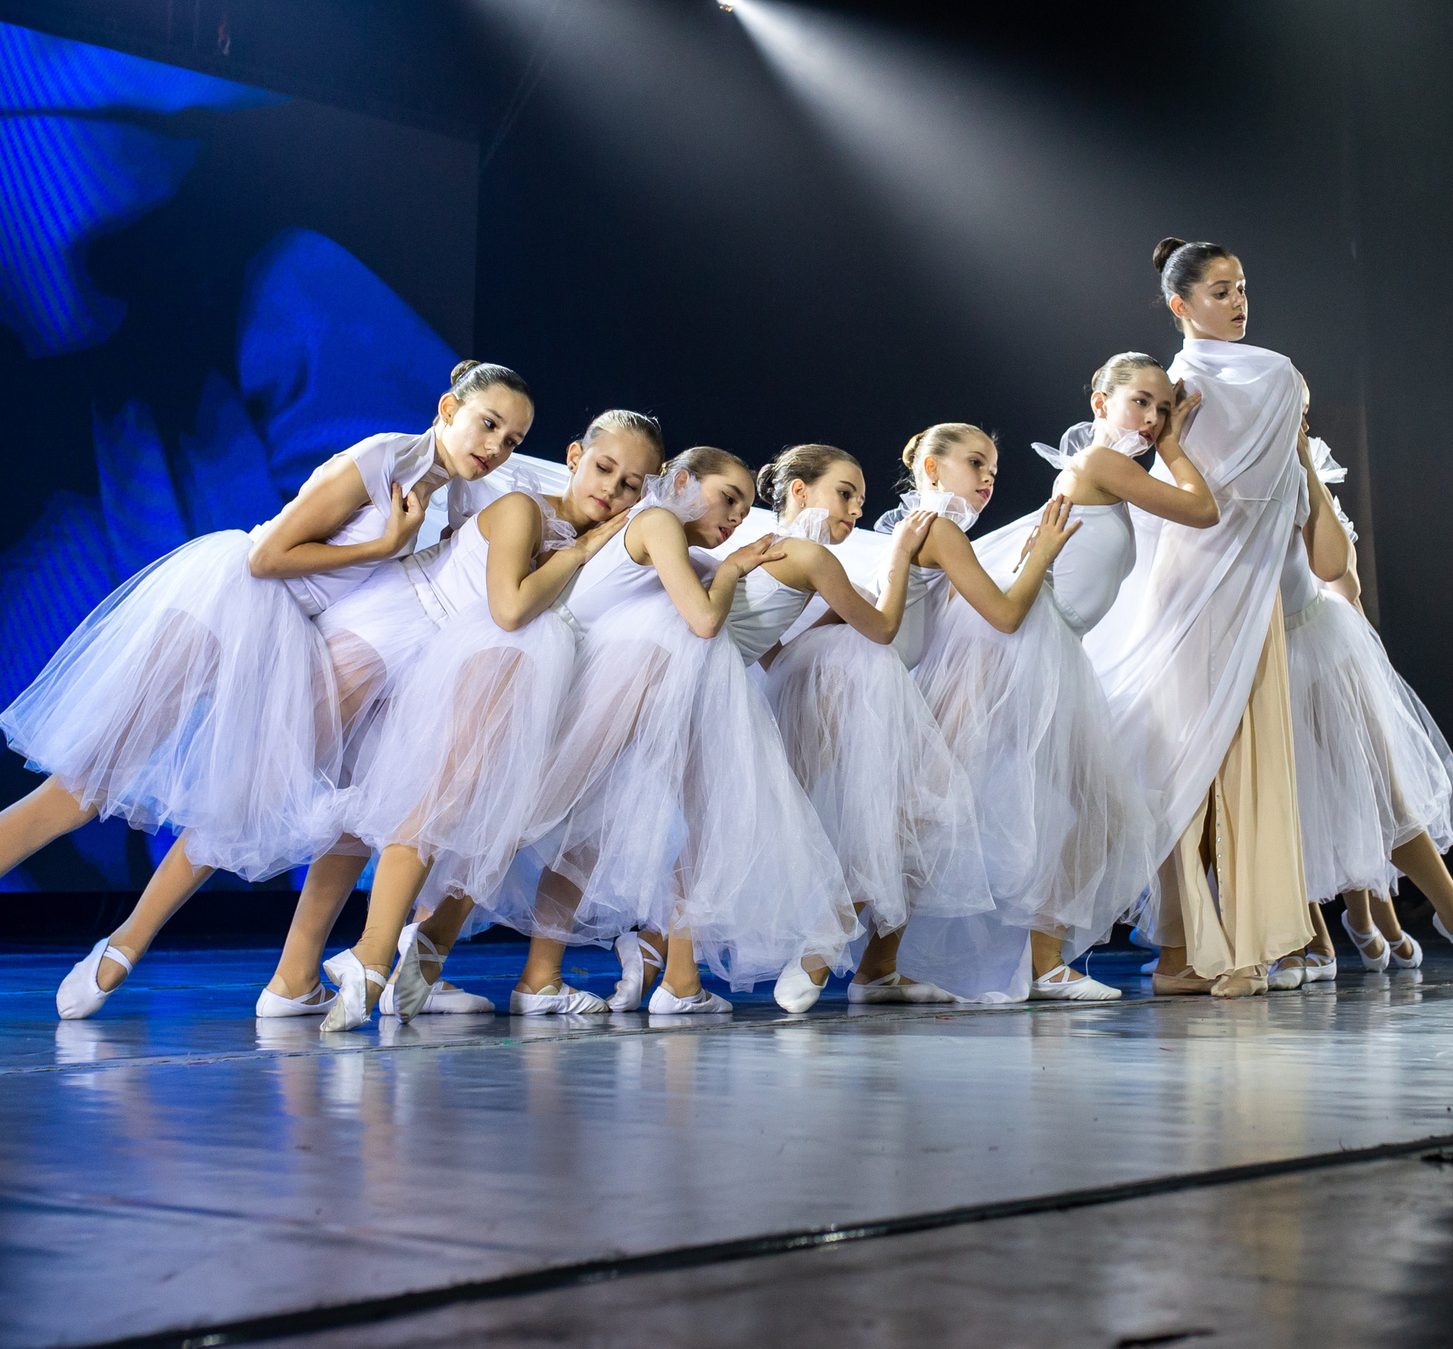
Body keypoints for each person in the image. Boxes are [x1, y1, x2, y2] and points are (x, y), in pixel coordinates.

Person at [0, 361, 535, 1018]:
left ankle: (124, 947)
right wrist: (380, 548)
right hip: (228, 599)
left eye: (513, 437)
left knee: (237, 799)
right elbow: (268, 557)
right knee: (83, 788)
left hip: (292, 641)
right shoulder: (383, 457)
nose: (497, 445)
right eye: (488, 423)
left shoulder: (458, 501)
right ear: (449, 408)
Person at [314, 411, 668, 1029]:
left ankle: (418, 963)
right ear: (574, 454)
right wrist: (581, 550)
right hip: (492, 655)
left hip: (546, 679)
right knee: (449, 794)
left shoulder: (626, 535)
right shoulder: (525, 509)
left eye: (631, 484)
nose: (611, 490)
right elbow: (509, 608)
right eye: (604, 468)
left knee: (500, 818)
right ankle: (369, 957)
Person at [515, 450, 862, 1015]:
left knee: (605, 827)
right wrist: (728, 571)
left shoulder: (683, 544)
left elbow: (745, 628)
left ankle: (652, 974)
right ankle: (653, 976)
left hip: (664, 676)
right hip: (664, 674)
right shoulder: (664, 527)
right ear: (681, 481)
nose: (734, 518)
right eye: (728, 498)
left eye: (744, 509)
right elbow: (706, 622)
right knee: (574, 820)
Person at [892, 401, 1179, 1004]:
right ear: (931, 466)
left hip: (1031, 656)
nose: (989, 478)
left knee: (941, 811)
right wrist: (1040, 561)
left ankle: (888, 965)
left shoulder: (935, 529)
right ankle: (1035, 962)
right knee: (940, 813)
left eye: (993, 468)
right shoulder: (937, 528)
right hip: (1020, 654)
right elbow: (1002, 615)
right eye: (975, 463)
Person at [1087, 239, 1314, 999]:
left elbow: (1262, 492)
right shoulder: (1169, 385)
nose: (1239, 301)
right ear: (1180, 305)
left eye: (1242, 286)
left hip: (1242, 581)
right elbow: (1170, 491)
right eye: (1220, 290)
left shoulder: (1275, 372)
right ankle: (1184, 947)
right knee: (1178, 760)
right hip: (1185, 578)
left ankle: (1249, 945)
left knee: (1244, 757)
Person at [738, 444, 985, 1007]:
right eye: (844, 493)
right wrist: (897, 557)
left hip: (840, 680)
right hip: (856, 679)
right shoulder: (810, 555)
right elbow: (880, 628)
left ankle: (875, 968)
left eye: (861, 500)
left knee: (903, 815)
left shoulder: (798, 557)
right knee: (883, 815)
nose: (854, 509)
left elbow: (778, 648)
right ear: (799, 490)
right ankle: (822, 955)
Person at [1280, 425, 1453, 977]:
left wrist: (1303, 461)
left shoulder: (1302, 474)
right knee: (1286, 801)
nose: (1297, 422)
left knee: (1378, 788)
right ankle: (1316, 936)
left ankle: (1452, 915)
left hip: (1317, 642)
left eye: (1303, 415)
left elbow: (1341, 581)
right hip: (1254, 654)